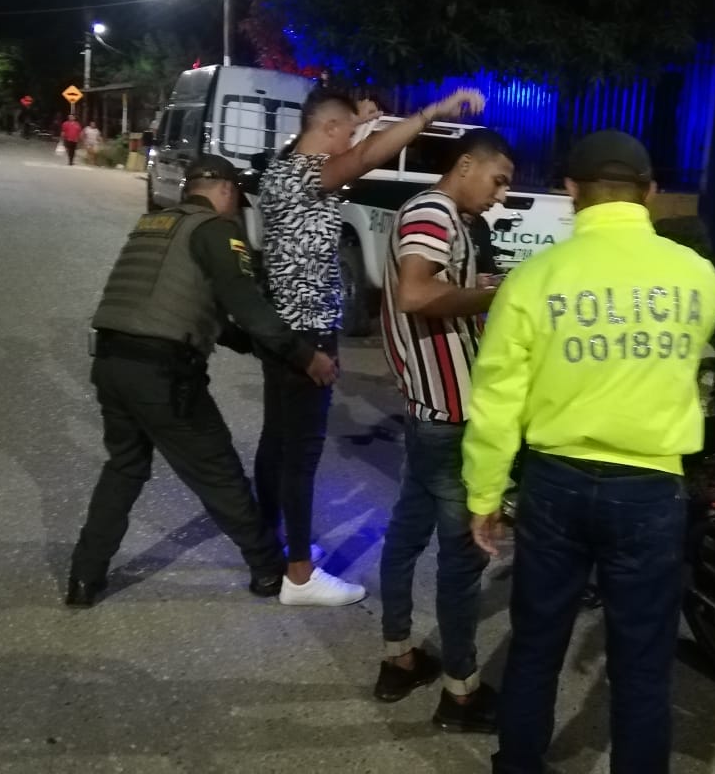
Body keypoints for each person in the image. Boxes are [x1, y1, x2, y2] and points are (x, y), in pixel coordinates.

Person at [462, 130, 715, 773]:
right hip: (651, 488)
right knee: (643, 662)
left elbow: (497, 398)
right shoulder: (696, 275)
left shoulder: (534, 278)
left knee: (536, 642)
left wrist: (484, 494)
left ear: (570, 190)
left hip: (556, 484)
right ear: (649, 192)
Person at [253, 86, 486, 607]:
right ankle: (299, 575)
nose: (354, 141)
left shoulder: (280, 168)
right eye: (348, 131)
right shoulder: (305, 173)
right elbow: (362, 157)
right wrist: (432, 113)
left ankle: (269, 549)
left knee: (278, 445)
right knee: (300, 455)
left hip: (282, 332)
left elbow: (351, 147)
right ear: (329, 129)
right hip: (304, 336)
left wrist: (358, 122)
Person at [67, 155, 334, 608]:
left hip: (111, 363)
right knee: (219, 474)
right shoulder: (216, 230)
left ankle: (83, 578)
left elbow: (195, 308)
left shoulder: (155, 224)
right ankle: (270, 570)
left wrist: (253, 349)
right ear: (226, 190)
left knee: (124, 468)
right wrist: (306, 357)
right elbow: (249, 309)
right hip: (163, 374)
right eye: (237, 199)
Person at [374, 129, 513, 732]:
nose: (499, 195)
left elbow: (434, 287)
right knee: (463, 557)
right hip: (451, 416)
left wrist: (479, 287)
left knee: (407, 534)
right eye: (498, 180)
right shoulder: (434, 210)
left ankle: (399, 659)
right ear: (465, 165)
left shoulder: (441, 217)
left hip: (428, 411)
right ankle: (460, 693)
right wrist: (497, 299)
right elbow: (415, 292)